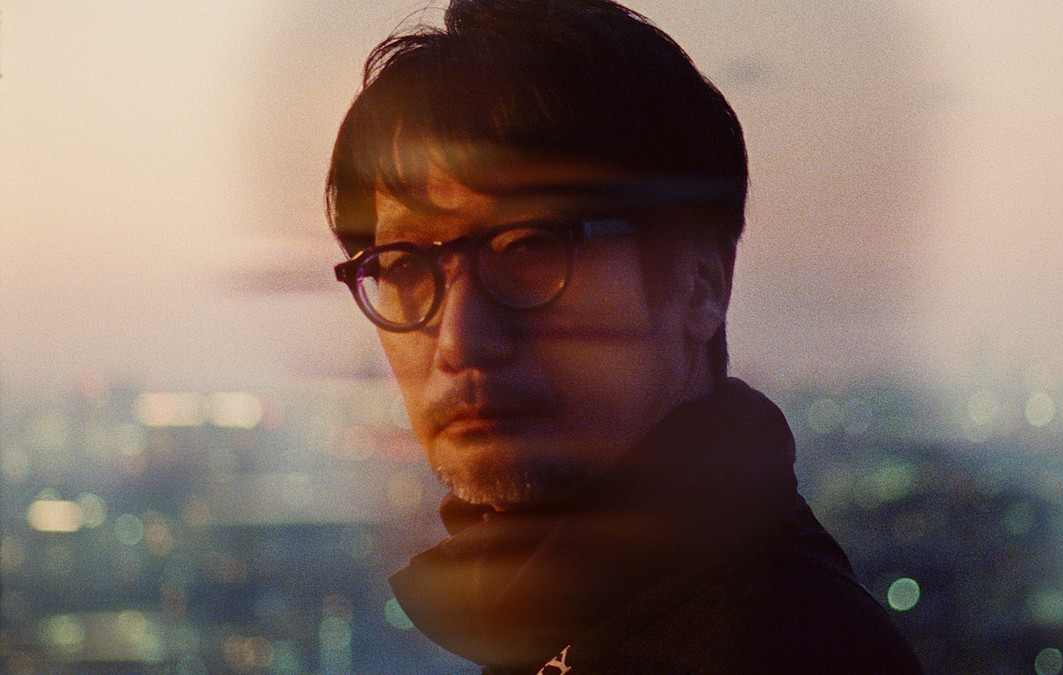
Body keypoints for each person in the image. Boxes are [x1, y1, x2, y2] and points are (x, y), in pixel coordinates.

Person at [327, 0, 924, 672]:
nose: (459, 339)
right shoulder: (573, 629)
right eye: (404, 265)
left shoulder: (789, 647)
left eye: (530, 247)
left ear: (698, 283)